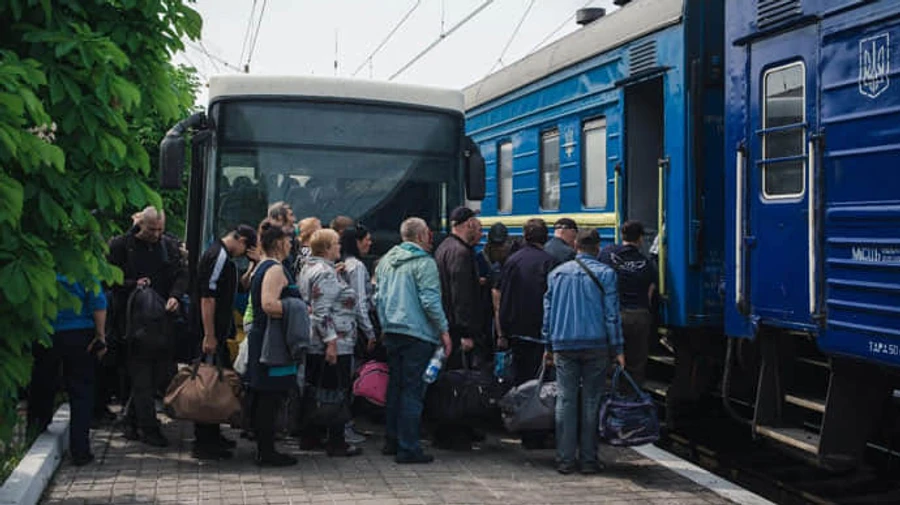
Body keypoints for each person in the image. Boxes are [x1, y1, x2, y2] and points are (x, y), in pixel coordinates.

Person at [544, 229, 625, 475]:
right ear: (597, 248)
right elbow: (612, 315)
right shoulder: (607, 274)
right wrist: (618, 348)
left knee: (566, 401)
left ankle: (565, 460)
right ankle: (589, 460)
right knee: (591, 401)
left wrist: (547, 346)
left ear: (576, 246)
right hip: (596, 344)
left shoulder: (556, 274)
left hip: (564, 344)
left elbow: (547, 314)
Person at [107, 206, 187, 447]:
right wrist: (133, 284)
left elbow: (182, 274)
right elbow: (109, 277)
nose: (156, 234)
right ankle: (148, 428)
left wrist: (175, 295)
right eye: (152, 230)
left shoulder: (168, 245)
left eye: (160, 229)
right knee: (141, 378)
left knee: (159, 376)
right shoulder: (121, 245)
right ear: (140, 224)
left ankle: (131, 421)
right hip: (132, 323)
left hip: (162, 319)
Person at [375, 217, 452, 464]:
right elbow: (430, 301)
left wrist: (385, 325)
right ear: (420, 236)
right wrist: (444, 331)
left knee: (395, 387)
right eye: (428, 234)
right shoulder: (424, 263)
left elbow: (378, 297)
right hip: (417, 334)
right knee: (412, 391)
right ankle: (408, 448)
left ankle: (391, 440)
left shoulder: (386, 261)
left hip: (392, 331)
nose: (431, 238)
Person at [193, 224, 257, 460]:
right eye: (245, 248)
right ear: (238, 239)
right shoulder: (218, 255)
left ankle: (212, 433)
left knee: (216, 382)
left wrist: (251, 266)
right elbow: (207, 297)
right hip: (210, 333)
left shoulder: (225, 258)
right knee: (207, 383)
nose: (243, 253)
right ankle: (204, 440)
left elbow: (237, 286)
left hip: (218, 332)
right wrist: (208, 334)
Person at [28, 275, 108, 466]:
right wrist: (101, 336)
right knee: (82, 393)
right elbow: (98, 302)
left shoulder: (40, 262)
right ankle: (80, 451)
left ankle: (34, 435)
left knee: (41, 386)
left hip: (46, 332)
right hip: (80, 335)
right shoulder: (83, 266)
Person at [298, 229, 365, 457]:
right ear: (326, 248)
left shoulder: (310, 268)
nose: (339, 247)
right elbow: (321, 311)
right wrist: (332, 342)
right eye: (336, 244)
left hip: (315, 342)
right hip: (335, 342)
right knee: (336, 392)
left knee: (315, 389)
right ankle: (337, 441)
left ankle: (312, 435)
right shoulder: (325, 273)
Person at [497, 218, 558, 449]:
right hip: (539, 333)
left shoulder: (512, 261)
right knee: (542, 386)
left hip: (516, 332)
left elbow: (501, 295)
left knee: (521, 382)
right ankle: (537, 434)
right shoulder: (549, 262)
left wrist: (502, 330)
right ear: (546, 237)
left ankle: (522, 429)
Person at [246, 219, 300, 467]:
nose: (291, 244)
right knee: (270, 396)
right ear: (279, 243)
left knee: (265, 395)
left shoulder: (262, 266)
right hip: (272, 341)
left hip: (265, 337)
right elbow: (268, 304)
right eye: (289, 240)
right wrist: (298, 308)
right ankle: (266, 451)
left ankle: (264, 447)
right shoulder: (275, 269)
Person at [598, 220, 657, 386]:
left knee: (611, 360)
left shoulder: (607, 253)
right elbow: (650, 293)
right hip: (639, 315)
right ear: (640, 239)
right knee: (636, 364)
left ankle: (612, 403)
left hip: (615, 314)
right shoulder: (647, 262)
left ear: (622, 236)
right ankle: (631, 403)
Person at [338, 224, 377, 444]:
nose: (370, 243)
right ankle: (346, 426)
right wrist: (370, 332)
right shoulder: (358, 267)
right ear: (357, 241)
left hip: (339, 329)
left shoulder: (342, 265)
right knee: (350, 379)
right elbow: (360, 303)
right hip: (353, 330)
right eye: (366, 239)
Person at [434, 207, 484, 369]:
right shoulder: (461, 253)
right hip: (457, 330)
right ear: (469, 223)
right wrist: (466, 333)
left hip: (446, 325)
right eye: (477, 225)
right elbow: (461, 296)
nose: (480, 231)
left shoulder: (444, 247)